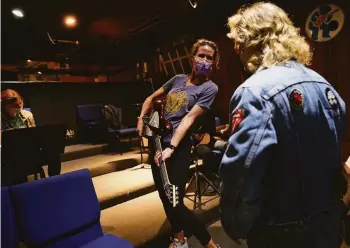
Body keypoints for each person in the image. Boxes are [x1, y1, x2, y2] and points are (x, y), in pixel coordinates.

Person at [219, 2, 347, 248]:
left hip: (281, 234)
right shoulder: (324, 85)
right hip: (329, 225)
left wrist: (236, 224)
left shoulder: (254, 92)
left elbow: (241, 173)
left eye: (239, 40)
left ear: (254, 40)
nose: (236, 48)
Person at [137, 39, 220, 248]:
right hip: (157, 143)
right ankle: (180, 240)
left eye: (209, 58)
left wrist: (171, 147)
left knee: (175, 200)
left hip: (179, 147)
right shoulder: (177, 80)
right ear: (193, 58)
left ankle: (209, 244)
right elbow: (149, 98)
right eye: (201, 55)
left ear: (214, 62)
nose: (204, 60)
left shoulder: (210, 88)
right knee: (166, 198)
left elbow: (189, 118)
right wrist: (141, 118)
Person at [1, 89, 62, 179]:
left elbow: (34, 135)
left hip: (28, 150)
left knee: (54, 153)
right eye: (15, 106)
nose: (19, 108)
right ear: (5, 106)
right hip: (10, 154)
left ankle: (54, 180)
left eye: (20, 104)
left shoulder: (27, 115)